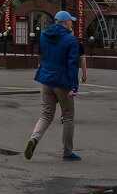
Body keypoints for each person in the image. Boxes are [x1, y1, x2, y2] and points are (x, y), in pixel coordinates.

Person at [25, 11, 81, 161]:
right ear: (65, 22)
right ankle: (67, 152)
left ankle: (34, 139)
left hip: (46, 80)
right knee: (68, 117)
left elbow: (45, 54)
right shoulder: (71, 40)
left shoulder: (44, 35)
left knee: (46, 115)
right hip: (62, 82)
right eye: (70, 21)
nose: (72, 23)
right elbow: (73, 65)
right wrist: (74, 87)